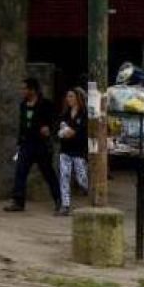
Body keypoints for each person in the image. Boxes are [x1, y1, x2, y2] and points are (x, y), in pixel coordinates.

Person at [5, 77, 62, 213]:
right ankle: (18, 201)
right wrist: (20, 143)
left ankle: (59, 200)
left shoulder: (46, 104)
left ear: (33, 90)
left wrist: (49, 129)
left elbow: (56, 121)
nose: (22, 91)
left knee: (48, 173)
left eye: (25, 88)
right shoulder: (23, 105)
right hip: (27, 144)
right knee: (20, 171)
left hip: (41, 144)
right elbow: (22, 125)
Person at [57, 87, 89, 215]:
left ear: (78, 98)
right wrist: (63, 132)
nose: (68, 99)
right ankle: (65, 205)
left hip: (79, 150)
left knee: (81, 177)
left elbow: (82, 131)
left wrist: (73, 133)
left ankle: (88, 188)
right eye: (68, 96)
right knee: (64, 176)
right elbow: (60, 128)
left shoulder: (84, 114)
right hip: (65, 150)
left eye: (71, 96)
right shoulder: (65, 114)